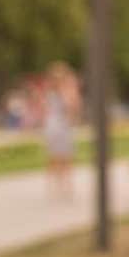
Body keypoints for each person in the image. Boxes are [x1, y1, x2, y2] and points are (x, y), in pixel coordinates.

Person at [42, 62, 80, 198]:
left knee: (64, 156)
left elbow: (73, 107)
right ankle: (57, 185)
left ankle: (63, 185)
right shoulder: (54, 92)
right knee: (56, 157)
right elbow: (71, 108)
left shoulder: (62, 91)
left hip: (60, 125)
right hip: (57, 125)